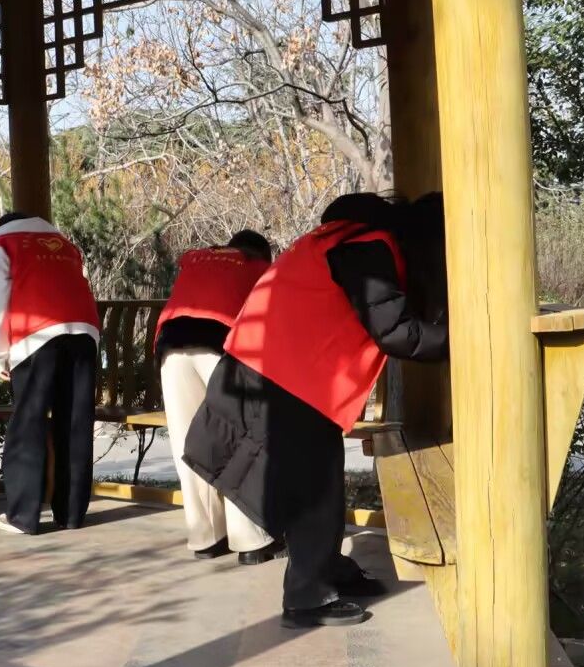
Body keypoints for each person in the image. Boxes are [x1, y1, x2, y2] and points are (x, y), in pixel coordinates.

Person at [183, 192, 449, 629]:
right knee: (313, 489)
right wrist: (459, 339)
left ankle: (326, 567)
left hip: (272, 367)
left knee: (317, 482)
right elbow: (396, 331)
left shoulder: (339, 238)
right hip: (281, 374)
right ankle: (306, 597)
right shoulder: (367, 247)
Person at [156, 231, 283, 564]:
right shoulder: (259, 268)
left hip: (171, 345)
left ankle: (206, 537)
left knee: (189, 442)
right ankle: (251, 541)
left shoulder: (199, 259)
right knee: (240, 439)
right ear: (262, 255)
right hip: (221, 346)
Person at [0, 211, 99, 535]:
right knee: (74, 422)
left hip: (35, 334)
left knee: (28, 422)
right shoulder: (64, 244)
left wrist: (1, 353)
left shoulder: (2, 243)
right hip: (84, 332)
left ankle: (22, 517)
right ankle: (71, 513)